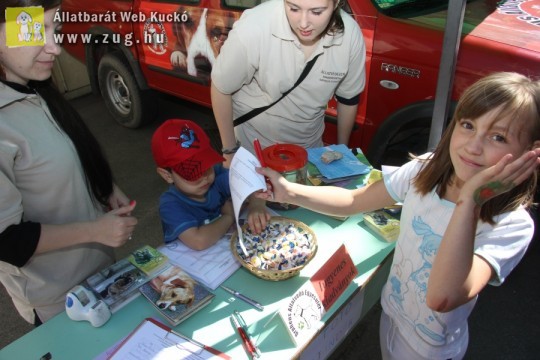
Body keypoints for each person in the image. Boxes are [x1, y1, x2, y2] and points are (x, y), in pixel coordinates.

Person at [254, 72, 540, 359]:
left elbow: (442, 297)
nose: (473, 146)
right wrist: (289, 191)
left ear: (531, 152)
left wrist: (470, 201)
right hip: (392, 312)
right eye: (467, 125)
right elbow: (355, 199)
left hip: (429, 350)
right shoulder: (425, 170)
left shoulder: (511, 225)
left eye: (498, 137)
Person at [0, 0, 138, 325]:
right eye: (35, 33)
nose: (55, 48)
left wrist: (104, 187)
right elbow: (8, 241)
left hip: (98, 271)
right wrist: (96, 230)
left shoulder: (34, 86)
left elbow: (65, 151)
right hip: (59, 301)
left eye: (55, 30)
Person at [211, 0, 366, 164]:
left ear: (336, 4)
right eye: (294, 9)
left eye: (317, 12)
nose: (304, 23)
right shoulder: (255, 25)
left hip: (309, 149)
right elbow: (221, 87)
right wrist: (229, 153)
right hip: (253, 148)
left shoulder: (350, 35)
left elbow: (348, 98)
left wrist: (341, 149)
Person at [152, 119, 264, 250]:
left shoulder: (216, 176)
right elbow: (199, 241)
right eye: (193, 173)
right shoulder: (170, 204)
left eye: (206, 166)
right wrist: (229, 216)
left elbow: (253, 183)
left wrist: (256, 206)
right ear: (167, 175)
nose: (204, 177)